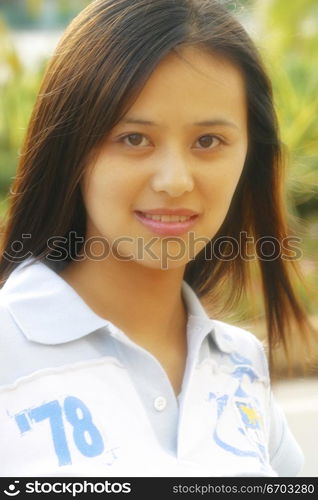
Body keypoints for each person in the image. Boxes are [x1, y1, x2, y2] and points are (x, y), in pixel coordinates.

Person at [0, 0, 313, 477]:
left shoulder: (239, 365)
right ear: (69, 150)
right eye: (133, 138)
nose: (174, 180)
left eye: (208, 141)